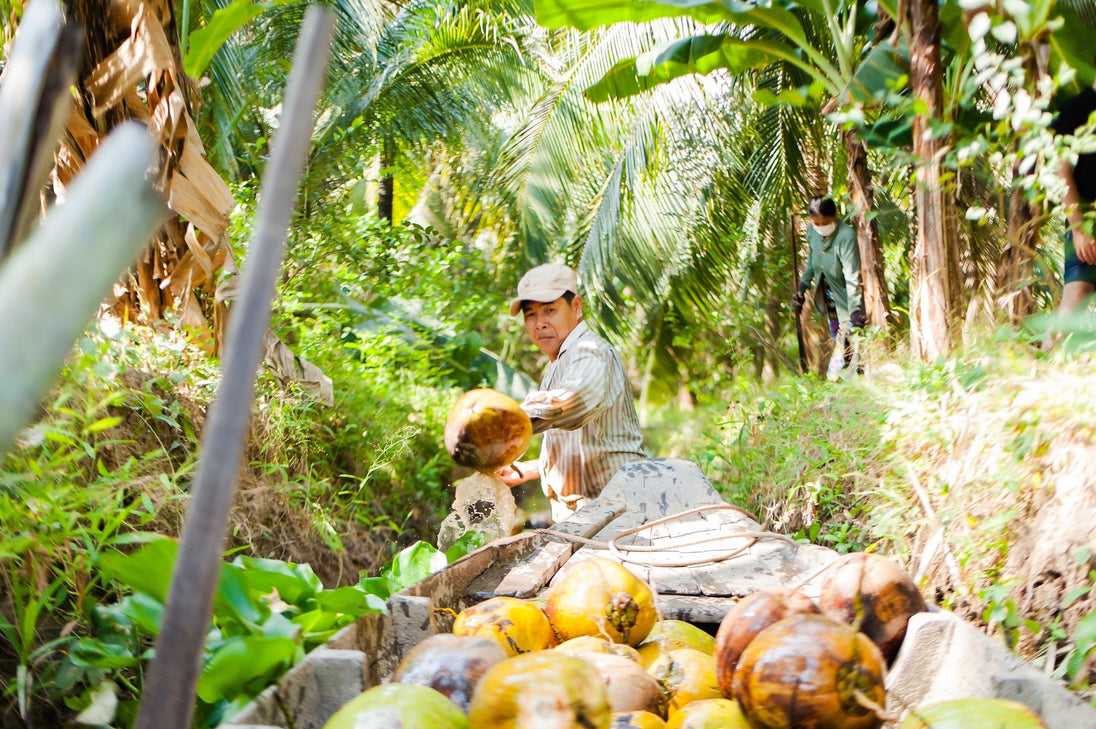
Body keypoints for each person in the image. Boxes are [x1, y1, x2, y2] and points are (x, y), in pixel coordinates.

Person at [496, 263, 647, 522]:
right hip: (585, 516)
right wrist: (528, 469)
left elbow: (572, 402)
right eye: (531, 315)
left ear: (576, 307)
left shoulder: (590, 352)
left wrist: (509, 422)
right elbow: (578, 447)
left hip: (616, 512)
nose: (540, 324)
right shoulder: (558, 365)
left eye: (550, 311)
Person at [792, 196, 866, 379]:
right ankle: (848, 381)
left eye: (825, 222)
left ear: (835, 215)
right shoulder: (812, 231)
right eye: (816, 223)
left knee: (852, 340)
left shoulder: (845, 235)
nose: (821, 226)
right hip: (827, 296)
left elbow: (852, 276)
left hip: (847, 296)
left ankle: (857, 379)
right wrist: (801, 288)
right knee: (840, 340)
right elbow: (812, 261)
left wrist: (856, 309)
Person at [1051, 71, 1096, 319]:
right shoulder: (1073, 111)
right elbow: (1061, 174)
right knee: (1076, 296)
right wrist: (1079, 230)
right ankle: (1044, 356)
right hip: (1087, 218)